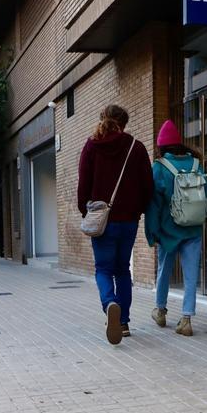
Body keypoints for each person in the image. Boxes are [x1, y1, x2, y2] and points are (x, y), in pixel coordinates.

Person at [77, 104, 153, 345]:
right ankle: (124, 323)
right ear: (124, 123)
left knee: (103, 269)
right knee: (122, 269)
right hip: (128, 221)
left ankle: (110, 303)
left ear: (103, 119)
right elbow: (148, 187)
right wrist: (137, 211)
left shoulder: (91, 146)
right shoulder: (136, 147)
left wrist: (86, 211)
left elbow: (83, 185)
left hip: (102, 221)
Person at [145, 120, 207, 337]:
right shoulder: (195, 164)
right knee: (191, 275)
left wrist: (151, 233)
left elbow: (153, 206)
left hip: (168, 232)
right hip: (193, 229)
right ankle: (186, 319)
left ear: (161, 146)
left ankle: (161, 310)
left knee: (164, 270)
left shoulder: (159, 167)